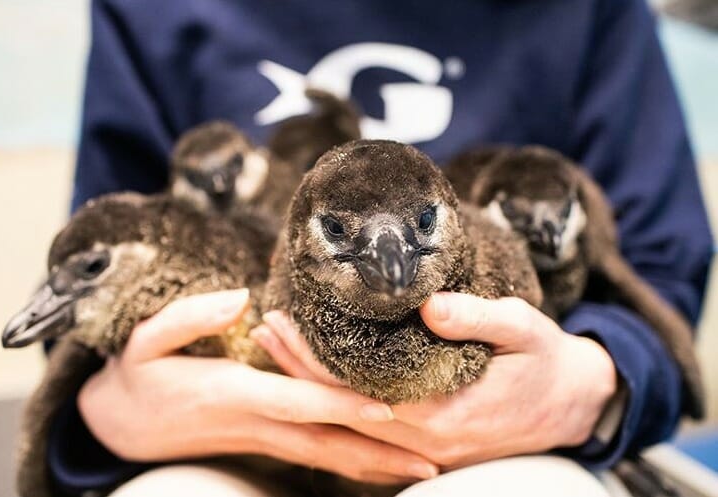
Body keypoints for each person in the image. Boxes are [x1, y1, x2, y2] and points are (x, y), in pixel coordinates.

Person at [48, 0, 713, 495]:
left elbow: (656, 262)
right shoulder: (152, 11)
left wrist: (593, 381)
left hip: (514, 439)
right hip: (228, 441)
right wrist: (112, 413)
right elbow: (86, 274)